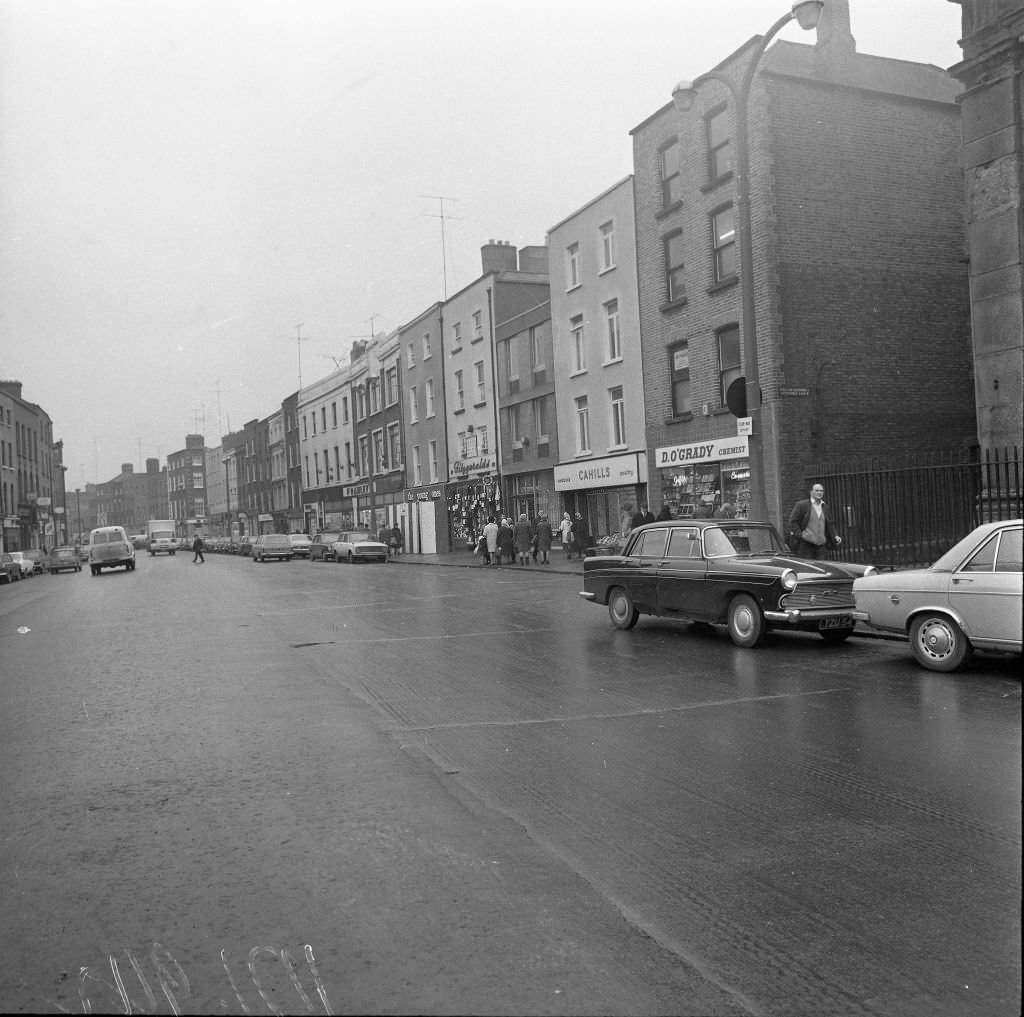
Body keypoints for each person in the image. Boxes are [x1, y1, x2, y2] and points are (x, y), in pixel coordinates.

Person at [787, 483, 842, 559]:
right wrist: (800, 535)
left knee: (821, 566)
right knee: (807, 566)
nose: (819, 492)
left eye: (821, 491)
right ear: (811, 492)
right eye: (816, 490)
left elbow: (830, 523)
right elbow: (792, 521)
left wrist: (835, 535)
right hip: (806, 545)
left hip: (822, 546)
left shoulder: (825, 507)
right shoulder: (802, 505)